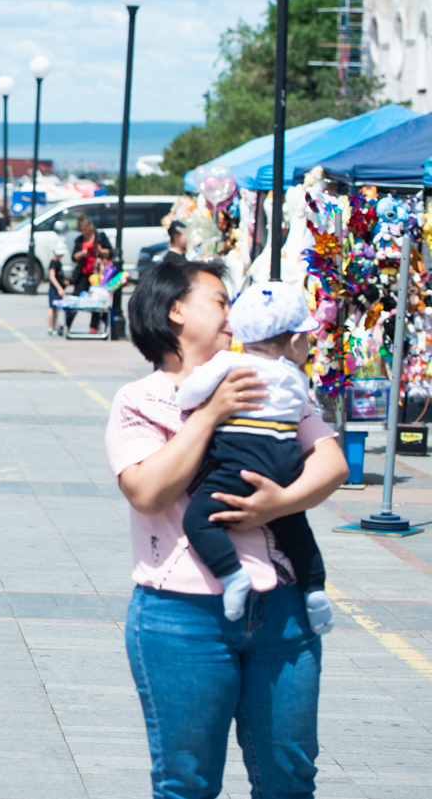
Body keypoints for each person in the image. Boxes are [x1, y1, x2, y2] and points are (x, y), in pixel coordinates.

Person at [110, 259, 347, 797]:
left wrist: (279, 503)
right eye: (220, 299)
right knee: (187, 782)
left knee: (290, 776)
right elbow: (149, 492)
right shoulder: (139, 400)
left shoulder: (263, 378)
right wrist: (213, 413)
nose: (231, 311)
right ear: (176, 311)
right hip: (183, 616)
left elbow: (331, 462)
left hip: (284, 613)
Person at [176, 281, 333, 634]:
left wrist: (189, 396)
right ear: (295, 343)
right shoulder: (296, 378)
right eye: (307, 337)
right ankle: (315, 590)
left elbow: (189, 395)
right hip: (286, 464)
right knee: (294, 529)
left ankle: (232, 576)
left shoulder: (230, 363)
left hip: (241, 461)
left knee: (199, 519)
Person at [70, 214, 112, 333]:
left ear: (91, 226)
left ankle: (93, 327)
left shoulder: (100, 237)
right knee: (76, 299)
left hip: (98, 274)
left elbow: (111, 252)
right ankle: (67, 324)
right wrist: (83, 253)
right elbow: (74, 257)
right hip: (83, 273)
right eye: (82, 231)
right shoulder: (79, 240)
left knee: (97, 299)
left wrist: (100, 251)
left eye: (86, 230)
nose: (84, 233)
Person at [46, 240, 67, 336]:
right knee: (52, 308)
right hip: (54, 289)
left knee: (56, 309)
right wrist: (59, 288)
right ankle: (51, 327)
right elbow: (52, 277)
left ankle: (55, 327)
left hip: (58, 289)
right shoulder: (53, 263)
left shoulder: (58, 263)